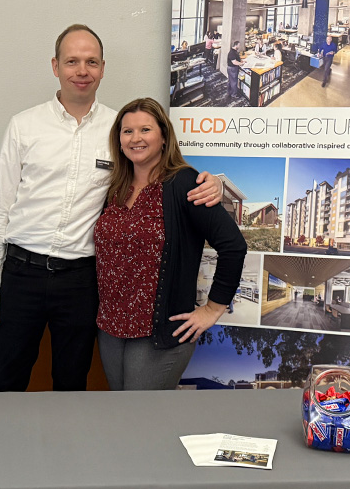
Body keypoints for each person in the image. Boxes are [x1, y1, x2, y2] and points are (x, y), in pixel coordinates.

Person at [0, 25, 223, 392]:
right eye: (72, 61)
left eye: (91, 61)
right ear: (55, 66)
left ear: (103, 68)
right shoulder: (24, 126)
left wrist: (213, 180)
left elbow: (163, 172)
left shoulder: (121, 130)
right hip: (20, 274)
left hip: (81, 281)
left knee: (72, 383)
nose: (82, 70)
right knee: (6, 378)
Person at [94, 97, 246, 390]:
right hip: (111, 328)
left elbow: (233, 246)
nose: (136, 138)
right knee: (121, 413)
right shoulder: (116, 187)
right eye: (127, 131)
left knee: (139, 419)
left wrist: (213, 308)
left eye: (145, 130)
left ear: (164, 137)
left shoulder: (185, 184)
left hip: (158, 333)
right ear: (119, 140)